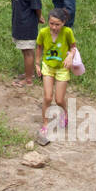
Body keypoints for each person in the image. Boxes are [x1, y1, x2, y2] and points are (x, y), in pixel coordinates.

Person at [35, 7, 76, 144]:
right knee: (47, 97)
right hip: (48, 67)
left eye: (57, 24)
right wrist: (37, 64)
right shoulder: (43, 32)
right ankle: (45, 124)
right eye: (51, 23)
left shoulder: (67, 32)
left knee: (59, 100)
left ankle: (64, 113)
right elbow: (39, 47)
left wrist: (70, 56)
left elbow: (73, 47)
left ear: (63, 23)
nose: (53, 27)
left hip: (62, 69)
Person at [10, 0, 43, 86]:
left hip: (27, 23)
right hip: (19, 21)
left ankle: (28, 80)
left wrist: (39, 17)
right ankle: (29, 72)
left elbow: (37, 5)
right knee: (26, 50)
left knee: (28, 51)